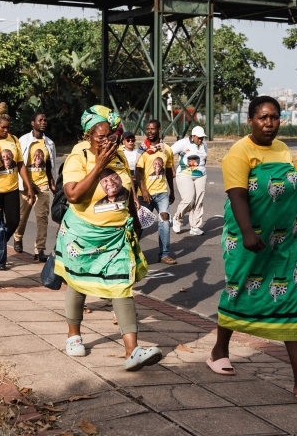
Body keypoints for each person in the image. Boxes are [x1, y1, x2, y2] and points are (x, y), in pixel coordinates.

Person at [207, 96, 297, 401]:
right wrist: (248, 232)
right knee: (239, 290)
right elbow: (237, 196)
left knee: (293, 295)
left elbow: (283, 191)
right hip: (248, 239)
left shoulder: (283, 150)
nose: (269, 123)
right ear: (249, 120)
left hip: (288, 240)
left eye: (274, 117)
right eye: (262, 118)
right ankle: (218, 350)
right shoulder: (239, 152)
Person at [55, 105, 162, 371]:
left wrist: (136, 223)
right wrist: (99, 164)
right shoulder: (77, 158)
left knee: (121, 287)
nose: (107, 140)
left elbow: (130, 193)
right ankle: (74, 335)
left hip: (116, 237)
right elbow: (73, 195)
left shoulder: (121, 158)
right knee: (78, 283)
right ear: (88, 136)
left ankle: (132, 350)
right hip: (83, 233)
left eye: (111, 135)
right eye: (100, 136)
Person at [0, 103, 34, 269]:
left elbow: (20, 164)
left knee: (13, 222)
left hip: (11, 189)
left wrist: (29, 186)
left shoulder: (14, 140)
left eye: (8, 127)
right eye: (3, 128)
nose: (6, 130)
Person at [15, 112, 57, 261]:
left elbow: (49, 165)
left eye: (45, 120)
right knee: (22, 217)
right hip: (26, 186)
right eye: (40, 120)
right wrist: (29, 186)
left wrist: (52, 183)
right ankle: (18, 236)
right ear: (33, 123)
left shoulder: (49, 143)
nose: (43, 122)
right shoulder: (23, 140)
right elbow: (19, 163)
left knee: (42, 218)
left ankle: (39, 250)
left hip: (43, 185)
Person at [136, 119, 176, 265]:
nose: (150, 131)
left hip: (162, 192)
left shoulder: (167, 150)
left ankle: (164, 254)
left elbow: (169, 172)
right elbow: (138, 173)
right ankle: (133, 253)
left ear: (159, 129)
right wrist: (144, 190)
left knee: (165, 219)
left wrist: (172, 191)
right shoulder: (142, 150)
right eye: (147, 129)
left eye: (153, 129)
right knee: (139, 225)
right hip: (145, 195)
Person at [171, 125, 208, 236]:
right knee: (189, 198)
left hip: (201, 175)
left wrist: (201, 169)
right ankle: (177, 218)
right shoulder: (183, 143)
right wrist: (172, 168)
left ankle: (195, 227)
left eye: (203, 137)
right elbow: (168, 153)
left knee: (198, 201)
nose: (201, 140)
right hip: (184, 174)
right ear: (193, 136)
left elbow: (204, 158)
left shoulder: (204, 145)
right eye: (199, 137)